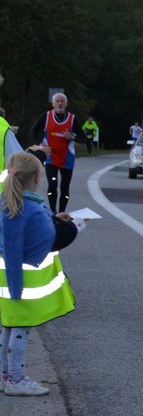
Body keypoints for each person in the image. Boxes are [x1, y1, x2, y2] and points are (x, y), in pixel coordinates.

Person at [0, 152, 82, 396]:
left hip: (6, 279)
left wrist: (53, 218)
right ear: (36, 178)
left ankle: (4, 377)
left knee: (8, 327)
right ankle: (16, 380)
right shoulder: (31, 209)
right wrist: (73, 227)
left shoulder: (8, 203)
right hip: (23, 282)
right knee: (21, 328)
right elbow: (48, 240)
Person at [31, 93, 86, 213]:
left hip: (67, 159)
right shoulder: (46, 116)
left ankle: (62, 212)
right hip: (51, 157)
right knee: (52, 184)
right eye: (57, 101)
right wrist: (40, 142)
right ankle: (53, 211)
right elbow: (34, 130)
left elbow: (83, 138)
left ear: (66, 104)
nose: (60, 103)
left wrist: (72, 137)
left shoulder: (72, 118)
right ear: (53, 104)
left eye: (62, 101)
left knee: (65, 187)